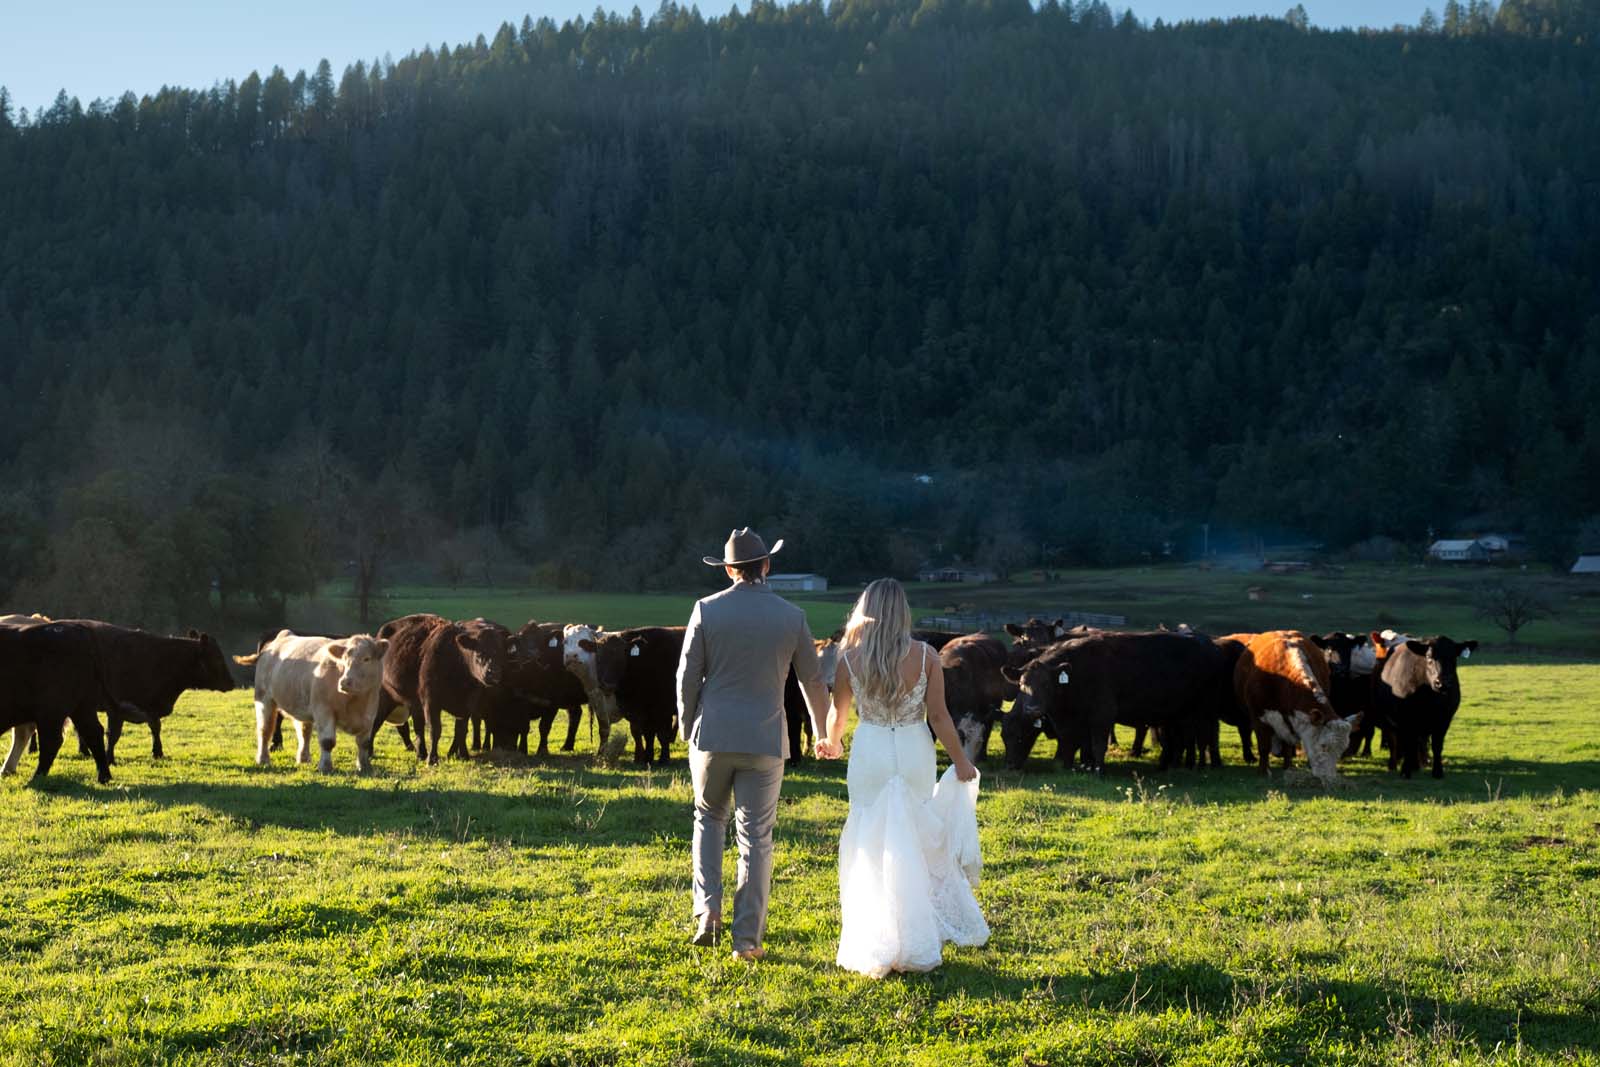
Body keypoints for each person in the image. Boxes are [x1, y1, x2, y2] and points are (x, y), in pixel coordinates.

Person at [817, 577, 989, 978]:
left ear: (865, 610)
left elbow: (837, 714)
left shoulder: (847, 658)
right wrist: (961, 760)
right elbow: (940, 716)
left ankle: (878, 937)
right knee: (912, 838)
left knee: (871, 840)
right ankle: (913, 938)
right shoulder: (925, 655)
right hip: (913, 750)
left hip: (871, 751)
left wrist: (832, 741)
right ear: (902, 612)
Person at [676, 527, 830, 960]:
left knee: (708, 818)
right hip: (765, 739)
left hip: (712, 736)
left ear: (728, 570)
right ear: (766, 565)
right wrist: (820, 732)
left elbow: (687, 675)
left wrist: (688, 725)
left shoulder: (705, 610)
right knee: (756, 839)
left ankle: (707, 912)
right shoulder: (792, 616)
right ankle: (747, 940)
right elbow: (812, 680)